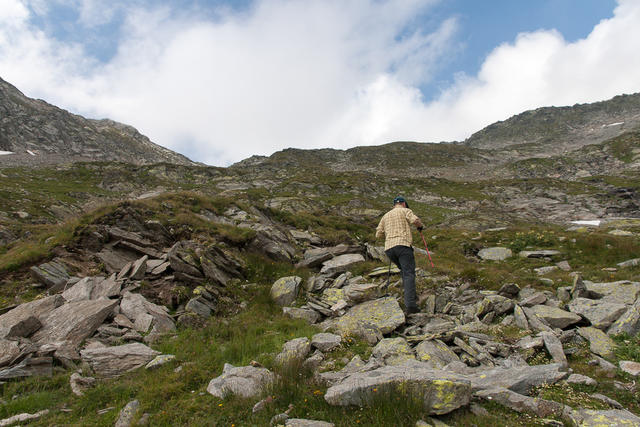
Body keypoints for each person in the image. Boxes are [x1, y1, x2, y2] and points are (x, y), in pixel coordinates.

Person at [375, 196, 424, 314]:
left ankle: (411, 296)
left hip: (389, 249)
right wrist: (420, 227)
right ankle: (411, 305)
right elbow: (415, 220)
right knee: (408, 273)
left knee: (404, 271)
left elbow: (378, 234)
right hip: (403, 245)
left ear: (394, 205)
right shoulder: (405, 210)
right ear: (403, 204)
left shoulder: (385, 216)